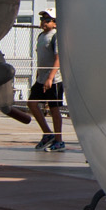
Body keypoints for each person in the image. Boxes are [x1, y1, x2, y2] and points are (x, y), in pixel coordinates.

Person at [28, 9, 64, 153]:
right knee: (32, 103)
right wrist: (39, 75)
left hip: (54, 79)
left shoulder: (55, 37)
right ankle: (47, 133)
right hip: (41, 78)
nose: (43, 22)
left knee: (54, 109)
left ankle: (59, 140)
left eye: (47, 20)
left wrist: (50, 78)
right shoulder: (41, 36)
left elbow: (58, 59)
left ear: (55, 23)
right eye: (42, 19)